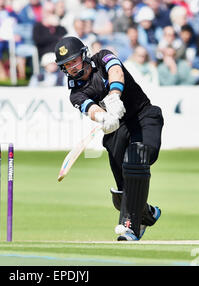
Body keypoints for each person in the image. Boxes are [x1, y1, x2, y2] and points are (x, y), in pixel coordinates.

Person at [54, 36, 163, 241]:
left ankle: (130, 227)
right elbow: (91, 109)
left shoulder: (102, 57)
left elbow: (116, 71)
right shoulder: (75, 94)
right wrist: (103, 117)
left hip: (143, 117)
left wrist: (114, 95)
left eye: (73, 60)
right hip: (116, 129)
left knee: (136, 158)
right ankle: (146, 213)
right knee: (122, 192)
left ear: (84, 55)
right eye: (66, 65)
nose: (71, 67)